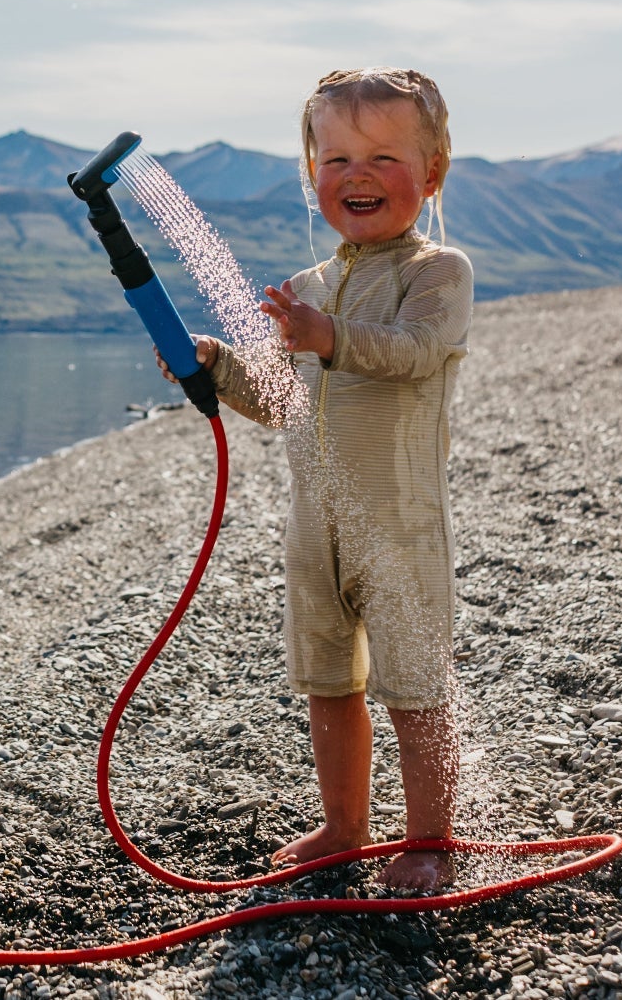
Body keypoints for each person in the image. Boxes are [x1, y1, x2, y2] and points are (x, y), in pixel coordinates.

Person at [159, 66, 472, 892]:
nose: (356, 175)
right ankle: (344, 824)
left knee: (413, 689)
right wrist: (218, 366)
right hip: (316, 530)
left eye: (382, 157)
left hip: (400, 524)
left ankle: (431, 837)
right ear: (311, 176)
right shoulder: (303, 290)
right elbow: (280, 399)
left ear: (432, 172)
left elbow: (409, 353)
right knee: (329, 683)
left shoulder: (437, 274)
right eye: (335, 160)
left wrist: (326, 333)